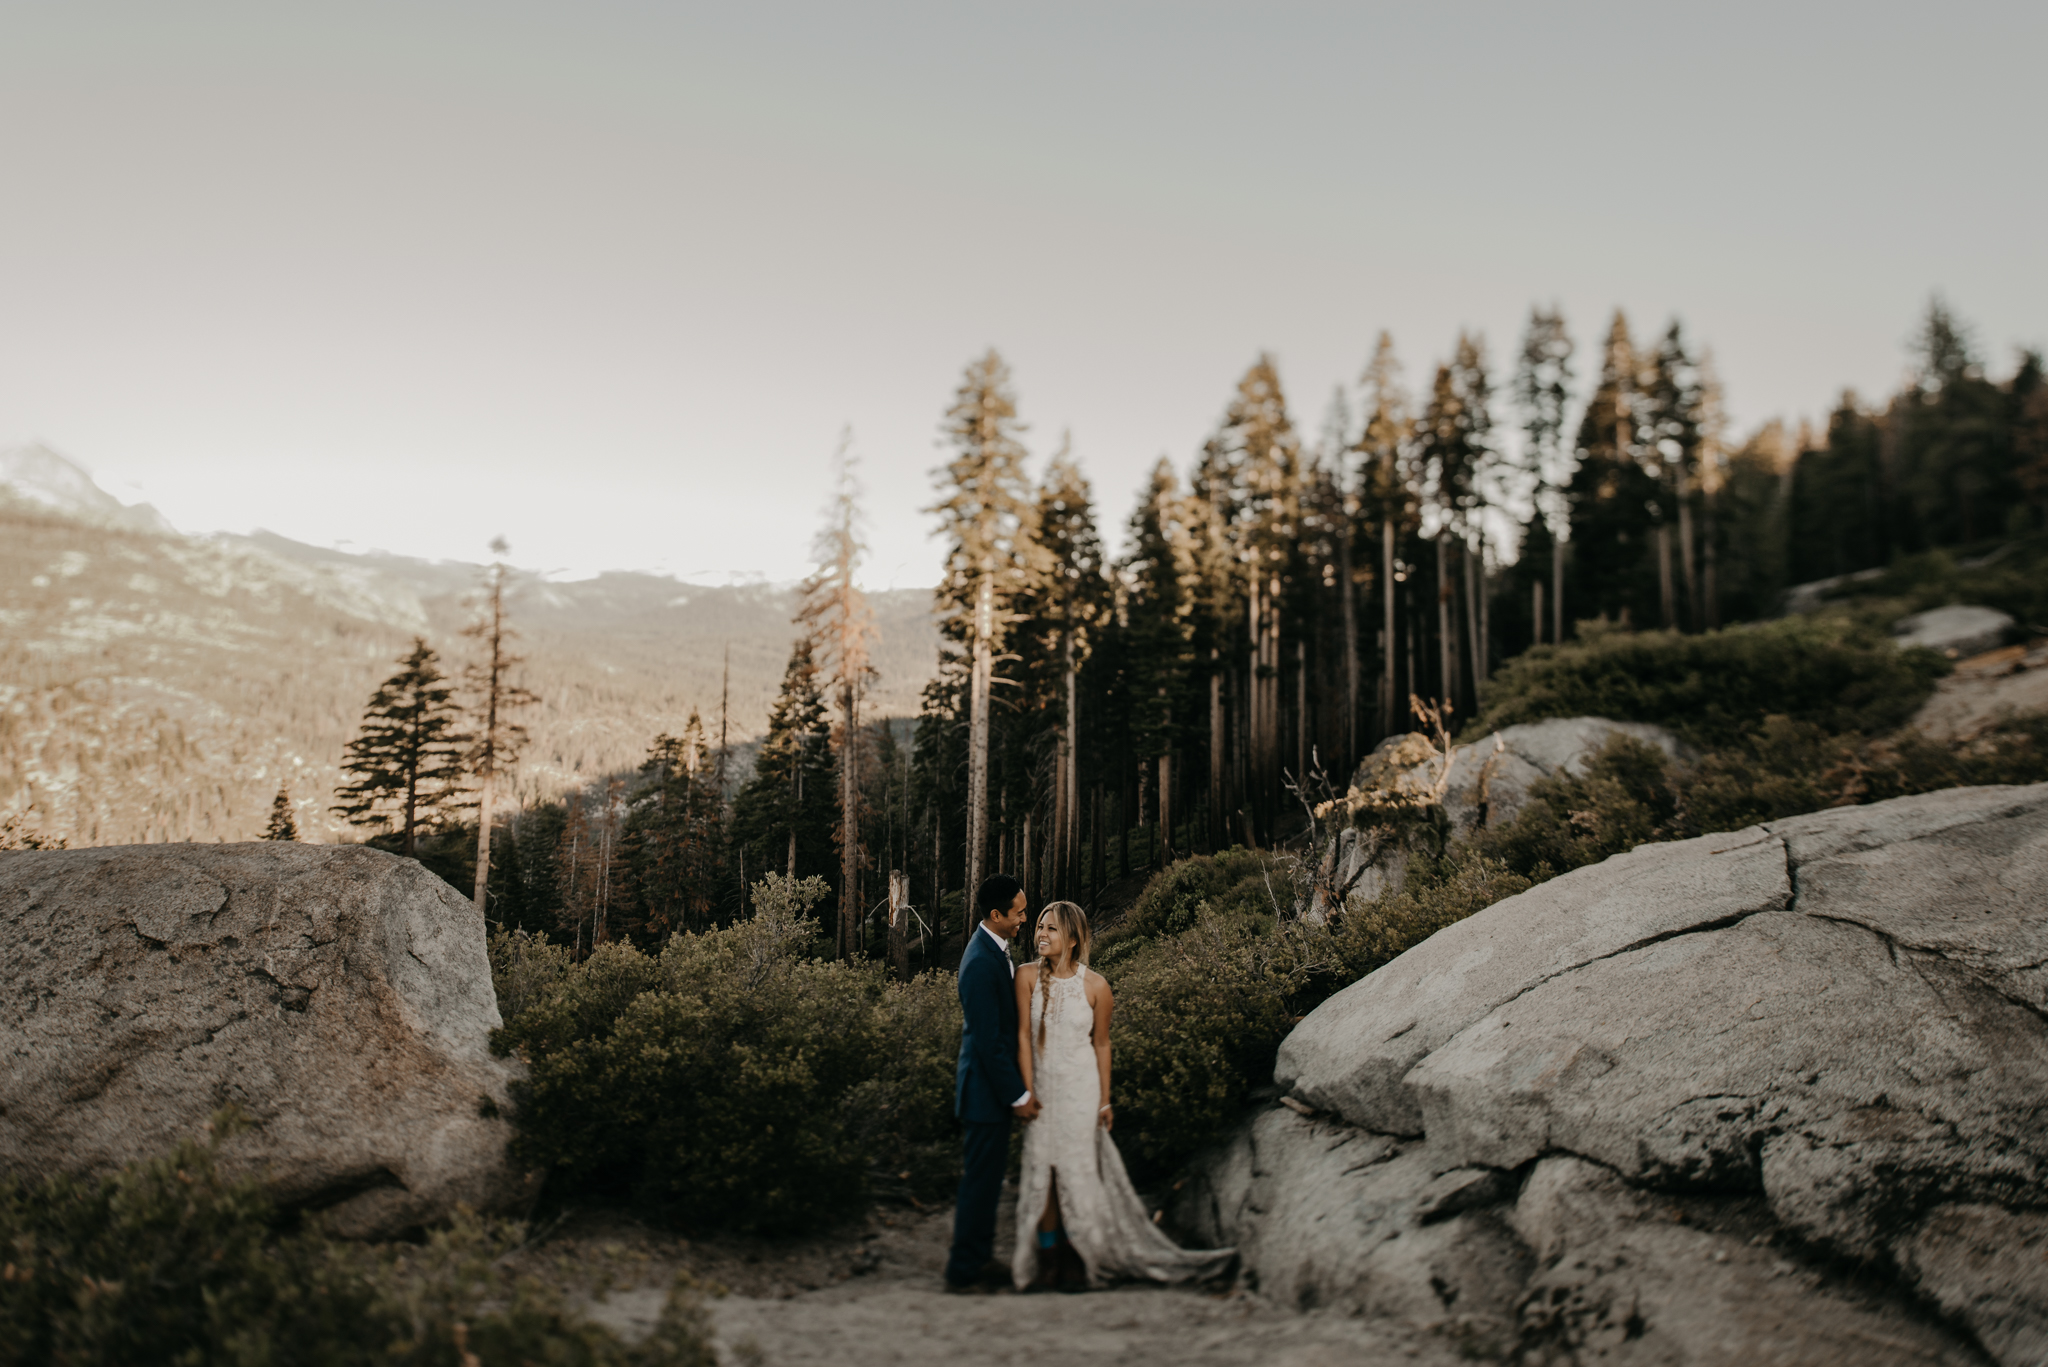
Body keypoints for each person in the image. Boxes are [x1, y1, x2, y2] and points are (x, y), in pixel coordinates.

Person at [1010, 900, 1233, 1291]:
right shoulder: (1026, 976)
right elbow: (1022, 1039)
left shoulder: (1096, 985)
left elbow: (1101, 1045)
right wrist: (1027, 1091)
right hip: (1043, 1089)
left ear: (1075, 939)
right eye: (1040, 926)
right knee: (1043, 1173)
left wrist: (1105, 1100)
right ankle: (1050, 1258)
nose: (1041, 934)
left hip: (1081, 1090)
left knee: (1078, 1173)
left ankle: (1081, 1255)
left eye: (1052, 929)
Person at [944, 874, 1039, 1292]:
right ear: (996, 915)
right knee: (980, 1184)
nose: (1024, 918)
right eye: (1018, 913)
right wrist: (1017, 1094)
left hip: (990, 1092)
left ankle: (978, 1259)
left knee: (988, 1180)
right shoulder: (980, 962)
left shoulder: (995, 948)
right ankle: (964, 1271)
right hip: (984, 1094)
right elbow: (988, 1042)